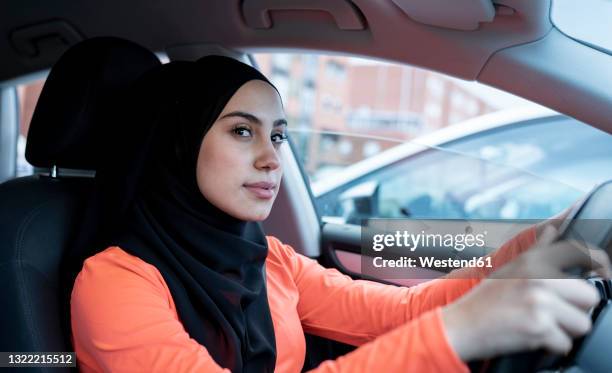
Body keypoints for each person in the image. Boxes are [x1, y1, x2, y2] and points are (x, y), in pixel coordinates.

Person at [68, 56, 610, 372]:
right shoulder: (114, 283)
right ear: (176, 145)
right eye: (242, 130)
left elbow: (401, 313)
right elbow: (431, 328)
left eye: (278, 135)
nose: (271, 157)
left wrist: (539, 240)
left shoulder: (269, 259)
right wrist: (457, 332)